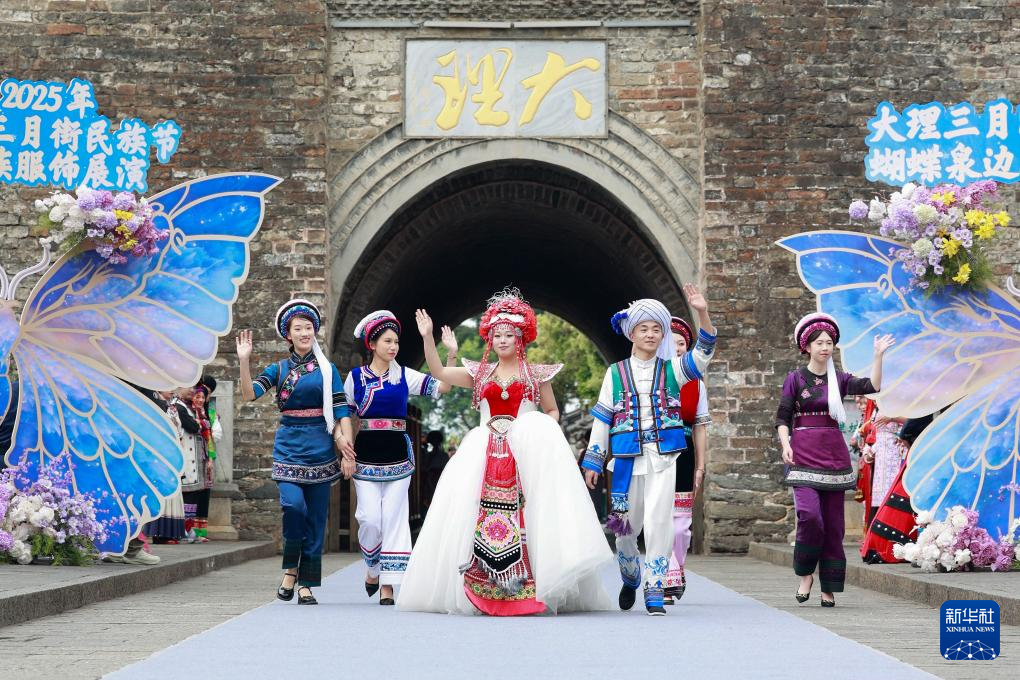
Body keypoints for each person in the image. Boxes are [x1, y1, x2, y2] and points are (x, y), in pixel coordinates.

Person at [398, 289, 613, 616]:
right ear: (490, 337)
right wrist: (428, 338)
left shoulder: (536, 375)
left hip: (525, 454)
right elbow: (439, 373)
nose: (502, 340)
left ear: (521, 337)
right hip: (483, 452)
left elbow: (552, 411)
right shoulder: (480, 373)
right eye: (497, 335)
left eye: (508, 335)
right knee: (473, 513)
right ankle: (483, 587)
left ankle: (531, 587)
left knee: (531, 515)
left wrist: (536, 431)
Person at [581, 287, 717, 616]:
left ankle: (654, 585)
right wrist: (594, 460)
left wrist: (702, 312)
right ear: (632, 333)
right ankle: (630, 575)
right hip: (626, 461)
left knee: (660, 522)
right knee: (624, 529)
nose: (651, 334)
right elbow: (603, 417)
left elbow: (704, 352)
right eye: (644, 328)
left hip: (664, 458)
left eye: (657, 329)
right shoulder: (615, 373)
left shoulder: (674, 369)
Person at [237, 299, 356, 606]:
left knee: (316, 520)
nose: (305, 333)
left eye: (308, 328)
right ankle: (291, 569)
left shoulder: (328, 370)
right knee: (293, 507)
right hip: (288, 447)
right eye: (298, 329)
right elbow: (249, 394)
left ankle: (306, 584)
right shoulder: (278, 369)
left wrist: (346, 448)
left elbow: (341, 409)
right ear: (288, 335)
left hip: (320, 449)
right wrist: (244, 361)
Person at [775, 312, 894, 607]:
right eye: (819, 343)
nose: (825, 347)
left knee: (833, 526)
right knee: (810, 516)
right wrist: (785, 444)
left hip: (833, 457)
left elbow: (872, 386)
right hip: (803, 454)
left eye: (829, 342)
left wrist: (878, 356)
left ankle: (828, 587)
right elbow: (783, 417)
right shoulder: (795, 379)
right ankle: (805, 574)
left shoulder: (839, 379)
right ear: (807, 346)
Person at [346, 310, 452, 605]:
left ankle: (388, 585)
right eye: (387, 341)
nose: (393, 347)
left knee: (394, 519)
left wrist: (434, 342)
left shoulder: (405, 375)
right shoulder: (355, 378)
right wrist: (346, 450)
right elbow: (345, 415)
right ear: (372, 344)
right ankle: (372, 568)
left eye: (396, 342)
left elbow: (443, 386)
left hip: (397, 457)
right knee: (369, 519)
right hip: (365, 455)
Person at [662, 316, 711, 605]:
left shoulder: (696, 384)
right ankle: (666, 577)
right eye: (672, 343)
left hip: (684, 452)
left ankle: (677, 567)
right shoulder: (652, 378)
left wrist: (700, 465)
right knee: (659, 518)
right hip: (656, 451)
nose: (677, 348)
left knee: (680, 524)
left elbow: (700, 427)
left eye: (682, 344)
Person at [859, 414, 934, 564]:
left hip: (899, 453)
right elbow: (871, 433)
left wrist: (895, 421)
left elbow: (911, 424)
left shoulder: (905, 406)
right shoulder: (878, 410)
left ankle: (905, 544)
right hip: (884, 457)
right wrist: (869, 450)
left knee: (903, 496)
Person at [178, 387, 213, 543]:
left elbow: (206, 430)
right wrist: (199, 424)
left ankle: (188, 528)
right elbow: (193, 426)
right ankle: (184, 529)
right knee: (188, 495)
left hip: (195, 457)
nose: (192, 392)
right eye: (191, 389)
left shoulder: (190, 409)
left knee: (193, 495)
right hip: (186, 456)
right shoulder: (178, 407)